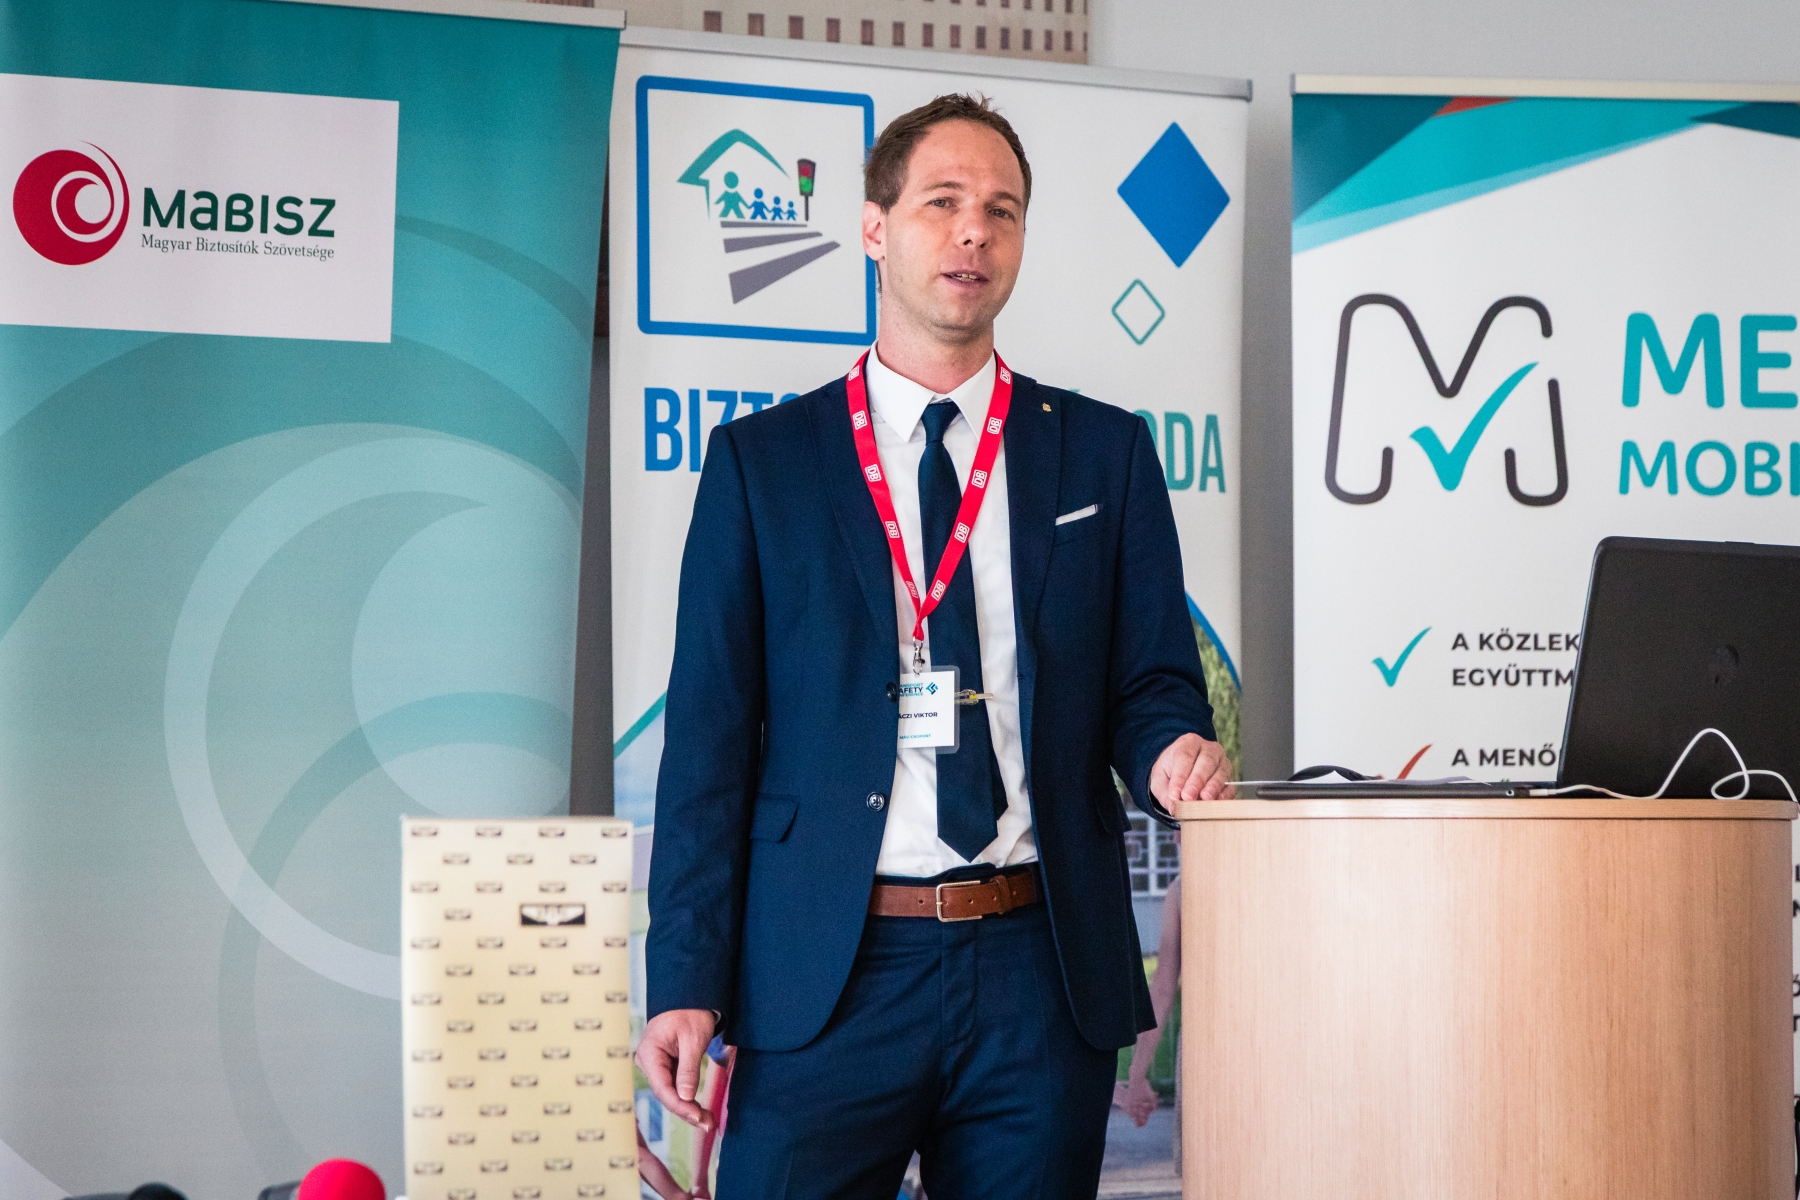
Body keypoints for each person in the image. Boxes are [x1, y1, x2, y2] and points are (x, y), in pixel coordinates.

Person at [638, 92, 1231, 1200]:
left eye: (1001, 211)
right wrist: (683, 975)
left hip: (1037, 969)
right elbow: (708, 744)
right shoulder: (766, 465)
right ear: (874, 227)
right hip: (827, 970)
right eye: (943, 203)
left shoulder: (1102, 455)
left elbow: (1151, 681)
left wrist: (1171, 749)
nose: (974, 233)